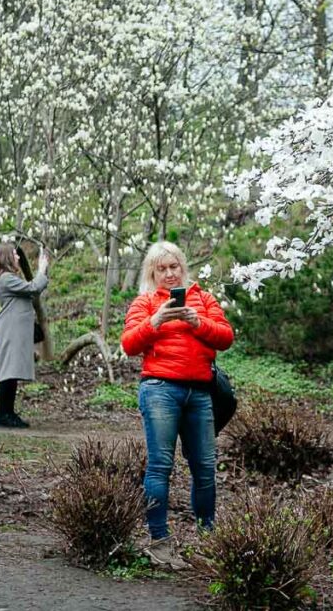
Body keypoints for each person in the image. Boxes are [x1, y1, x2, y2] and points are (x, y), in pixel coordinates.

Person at [121, 241, 234, 569]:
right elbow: (129, 344)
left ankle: (207, 542)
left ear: (183, 268)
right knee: (160, 466)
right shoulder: (145, 302)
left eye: (174, 267)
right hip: (159, 390)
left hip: (199, 393)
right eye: (162, 269)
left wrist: (198, 322)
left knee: (205, 468)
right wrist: (156, 320)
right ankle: (160, 543)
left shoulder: (204, 299)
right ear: (152, 273)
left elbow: (225, 337)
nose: (169, 274)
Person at [0, 243, 50, 428]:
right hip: (10, 329)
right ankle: (2, 415)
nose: (18, 257)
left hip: (13, 329)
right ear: (6, 257)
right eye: (15, 254)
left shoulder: (8, 278)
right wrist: (41, 269)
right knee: (8, 372)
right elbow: (33, 288)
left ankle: (8, 413)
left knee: (11, 372)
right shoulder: (6, 279)